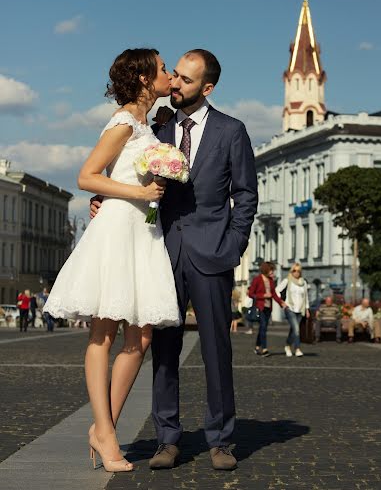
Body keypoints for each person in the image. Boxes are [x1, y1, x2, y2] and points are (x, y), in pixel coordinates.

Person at [91, 48, 258, 471]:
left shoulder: (232, 130)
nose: (176, 84)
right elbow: (127, 171)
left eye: (185, 80)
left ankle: (221, 440)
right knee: (163, 347)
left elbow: (246, 195)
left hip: (212, 253)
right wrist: (103, 197)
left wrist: (233, 245)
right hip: (160, 250)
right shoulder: (157, 125)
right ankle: (168, 438)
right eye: (175, 75)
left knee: (217, 348)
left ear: (207, 87)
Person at [44, 48, 181, 473]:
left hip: (143, 231)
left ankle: (105, 428)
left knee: (140, 339)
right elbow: (87, 176)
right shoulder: (123, 122)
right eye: (162, 69)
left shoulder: (148, 125)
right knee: (103, 333)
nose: (169, 74)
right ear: (143, 79)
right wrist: (138, 193)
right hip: (120, 229)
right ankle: (105, 432)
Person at [248, 262, 285, 356]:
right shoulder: (257, 279)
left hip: (268, 307)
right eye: (271, 270)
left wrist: (281, 302)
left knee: (263, 328)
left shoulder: (271, 280)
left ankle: (257, 346)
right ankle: (264, 349)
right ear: (266, 270)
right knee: (263, 327)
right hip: (260, 307)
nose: (272, 272)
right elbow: (251, 293)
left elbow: (274, 294)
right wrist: (263, 296)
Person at [276, 263, 310, 357]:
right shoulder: (287, 280)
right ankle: (297, 348)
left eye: (298, 271)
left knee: (294, 330)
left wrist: (307, 309)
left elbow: (306, 296)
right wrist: (282, 302)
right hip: (290, 308)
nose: (297, 273)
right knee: (296, 329)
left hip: (300, 309)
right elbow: (277, 290)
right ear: (291, 271)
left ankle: (287, 346)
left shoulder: (304, 282)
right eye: (294, 270)